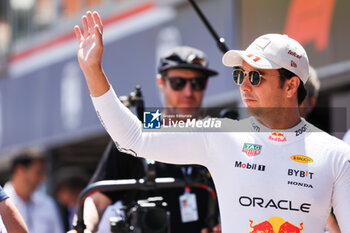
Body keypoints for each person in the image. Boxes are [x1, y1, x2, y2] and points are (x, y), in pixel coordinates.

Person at [74, 11, 350, 232]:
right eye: (240, 75)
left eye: (255, 77)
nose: (244, 86)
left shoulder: (337, 154)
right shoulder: (221, 133)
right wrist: (93, 71)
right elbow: (133, 137)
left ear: (291, 87)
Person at [69, 45, 220, 232]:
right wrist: (81, 229)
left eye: (197, 83)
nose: (188, 92)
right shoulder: (138, 131)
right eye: (178, 83)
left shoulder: (219, 136)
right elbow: (96, 200)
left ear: (206, 85)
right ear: (161, 83)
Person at [4, 150, 64, 233]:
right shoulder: (3, 203)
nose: (43, 179)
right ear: (19, 170)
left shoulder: (48, 203)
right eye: (38, 172)